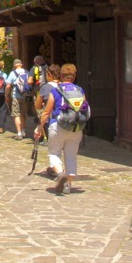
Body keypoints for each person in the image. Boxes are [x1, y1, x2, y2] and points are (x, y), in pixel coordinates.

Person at [37, 63, 88, 194]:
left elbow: (47, 111)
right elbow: (84, 109)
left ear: (61, 76)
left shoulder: (56, 90)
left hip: (57, 125)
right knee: (71, 156)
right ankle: (68, 186)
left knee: (54, 153)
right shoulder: (80, 90)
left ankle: (60, 174)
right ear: (74, 76)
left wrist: (39, 127)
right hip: (76, 128)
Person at [6, 58, 30, 140]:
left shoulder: (13, 73)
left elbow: (8, 86)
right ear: (21, 64)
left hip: (16, 95)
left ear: (14, 65)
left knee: (16, 114)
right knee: (23, 114)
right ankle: (24, 131)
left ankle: (19, 133)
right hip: (25, 96)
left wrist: (7, 95)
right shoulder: (27, 72)